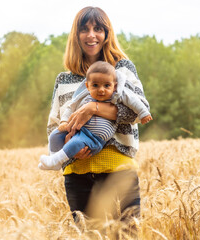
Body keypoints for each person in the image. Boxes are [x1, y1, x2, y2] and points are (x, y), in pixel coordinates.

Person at [43, 6, 150, 222]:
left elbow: (137, 112)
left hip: (118, 173)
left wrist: (93, 108)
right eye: (85, 29)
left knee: (126, 237)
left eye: (98, 29)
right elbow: (53, 125)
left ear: (107, 34)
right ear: (76, 35)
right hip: (77, 177)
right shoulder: (64, 80)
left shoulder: (122, 68)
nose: (91, 35)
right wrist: (68, 145)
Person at [39, 61, 152, 171]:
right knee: (56, 134)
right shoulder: (82, 96)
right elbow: (69, 109)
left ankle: (57, 159)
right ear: (87, 86)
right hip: (79, 135)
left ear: (115, 85)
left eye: (107, 85)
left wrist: (143, 113)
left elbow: (135, 102)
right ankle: (54, 160)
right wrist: (64, 122)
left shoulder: (118, 95)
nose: (101, 89)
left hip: (95, 139)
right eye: (95, 85)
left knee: (76, 143)